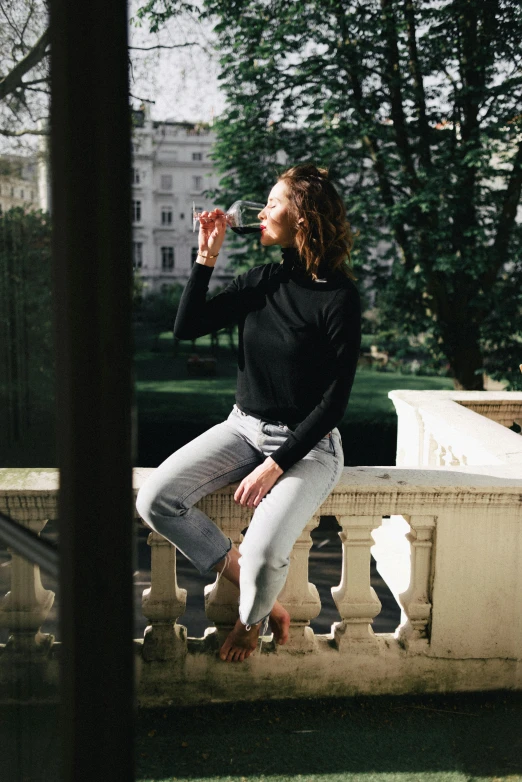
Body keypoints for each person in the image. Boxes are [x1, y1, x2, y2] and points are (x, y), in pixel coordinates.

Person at [136, 164, 361, 663]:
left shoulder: (340, 298)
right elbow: (188, 326)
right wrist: (206, 256)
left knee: (264, 553)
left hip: (310, 445)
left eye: (273, 204)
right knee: (155, 499)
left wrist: (276, 465)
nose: (260, 213)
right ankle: (255, 588)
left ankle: (251, 620)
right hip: (242, 427)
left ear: (301, 220)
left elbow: (335, 401)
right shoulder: (261, 280)